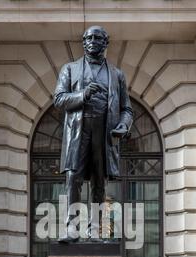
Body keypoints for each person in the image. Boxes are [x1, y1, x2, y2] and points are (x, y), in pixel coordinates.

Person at [54, 26, 133, 243]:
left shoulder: (117, 75)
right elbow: (59, 99)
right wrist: (83, 94)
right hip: (78, 132)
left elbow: (127, 109)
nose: (92, 41)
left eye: (98, 38)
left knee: (99, 181)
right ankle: (72, 227)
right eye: (88, 37)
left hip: (104, 134)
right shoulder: (70, 69)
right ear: (83, 42)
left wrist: (124, 126)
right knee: (73, 177)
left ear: (105, 42)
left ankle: (95, 230)